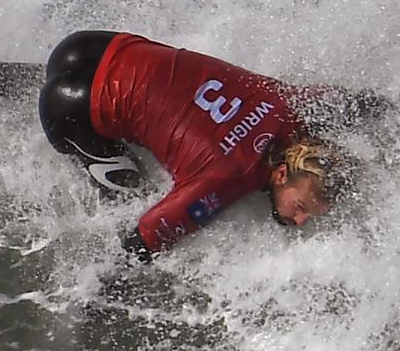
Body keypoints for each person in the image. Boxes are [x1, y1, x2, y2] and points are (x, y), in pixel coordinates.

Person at [38, 31, 377, 263]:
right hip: (71, 111)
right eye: (301, 206)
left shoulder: (290, 105)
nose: (301, 221)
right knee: (126, 196)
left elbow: (364, 104)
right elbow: (143, 238)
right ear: (282, 173)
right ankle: (47, 99)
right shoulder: (228, 178)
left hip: (94, 45)